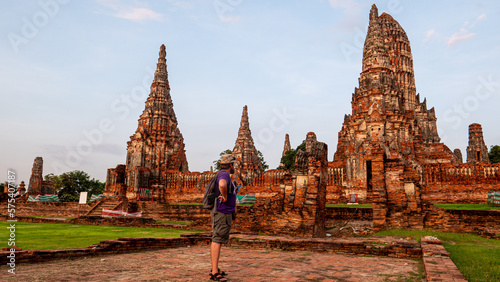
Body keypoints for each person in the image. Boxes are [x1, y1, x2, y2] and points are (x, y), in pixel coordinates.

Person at [210, 154, 236, 281]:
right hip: (221, 211)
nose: (234, 167)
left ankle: (215, 268)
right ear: (230, 165)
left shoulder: (223, 174)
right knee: (217, 239)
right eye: (233, 164)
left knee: (219, 238)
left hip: (225, 211)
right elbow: (222, 185)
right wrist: (224, 196)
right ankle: (214, 272)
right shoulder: (224, 174)